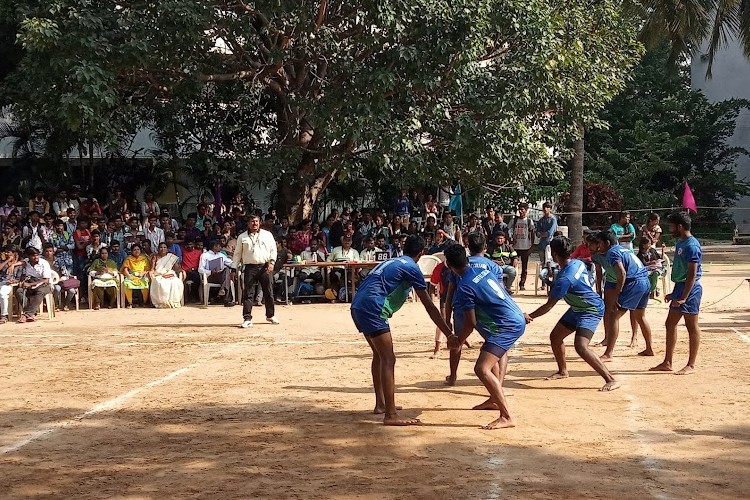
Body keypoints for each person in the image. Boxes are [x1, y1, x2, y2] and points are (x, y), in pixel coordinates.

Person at [351, 235, 453, 426]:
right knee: (389, 359)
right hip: (373, 307)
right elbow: (429, 306)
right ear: (421, 253)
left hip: (358, 305)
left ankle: (381, 403)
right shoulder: (411, 268)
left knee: (379, 356)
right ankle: (390, 414)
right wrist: (449, 334)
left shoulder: (393, 260)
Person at [444, 243, 526, 429]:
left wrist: (458, 339)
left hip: (506, 326)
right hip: (513, 318)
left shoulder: (464, 286)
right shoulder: (483, 271)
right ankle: (493, 399)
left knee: (481, 368)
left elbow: (470, 323)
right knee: (489, 358)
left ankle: (506, 416)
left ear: (449, 265)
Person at [525, 236, 620, 391]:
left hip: (590, 309)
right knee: (555, 337)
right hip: (578, 308)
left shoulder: (564, 279)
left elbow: (549, 306)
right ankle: (563, 371)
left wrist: (529, 316)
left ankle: (610, 379)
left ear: (554, 254)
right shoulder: (577, 262)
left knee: (581, 346)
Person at [444, 233, 504, 385]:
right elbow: (500, 292)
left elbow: (450, 293)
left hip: (462, 308)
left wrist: (447, 317)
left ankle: (452, 376)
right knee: (495, 344)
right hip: (486, 311)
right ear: (485, 247)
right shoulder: (493, 266)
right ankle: (498, 381)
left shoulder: (460, 264)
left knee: (457, 341)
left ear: (468, 248)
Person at [651, 213, 703, 375]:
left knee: (691, 326)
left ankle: (691, 365)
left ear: (680, 227)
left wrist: (684, 297)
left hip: (690, 290)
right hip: (681, 287)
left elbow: (692, 274)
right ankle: (667, 362)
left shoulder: (692, 246)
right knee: (670, 323)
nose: (670, 229)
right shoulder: (681, 242)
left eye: (672, 226)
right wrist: (675, 293)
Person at [594, 231, 653, 361]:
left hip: (634, 282)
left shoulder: (612, 252)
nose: (598, 246)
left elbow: (622, 273)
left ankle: (608, 353)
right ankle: (649, 348)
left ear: (607, 243)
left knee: (614, 316)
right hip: (645, 280)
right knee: (640, 316)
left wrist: (617, 294)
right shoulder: (622, 249)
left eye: (599, 243)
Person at [233, 214, 279, 328]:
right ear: (248, 224)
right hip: (250, 267)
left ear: (260, 222)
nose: (255, 224)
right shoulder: (242, 237)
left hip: (265, 266)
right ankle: (247, 318)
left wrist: (272, 262)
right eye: (252, 222)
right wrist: (234, 268)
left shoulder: (267, 235)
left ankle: (270, 315)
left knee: (268, 292)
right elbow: (237, 254)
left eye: (256, 221)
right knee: (248, 293)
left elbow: (273, 249)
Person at [15, 247, 53, 323]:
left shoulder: (44, 263)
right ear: (28, 256)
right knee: (19, 291)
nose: (36, 257)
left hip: (44, 284)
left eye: (37, 255)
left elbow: (46, 280)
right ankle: (31, 313)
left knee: (40, 292)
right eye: (33, 256)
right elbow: (21, 262)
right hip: (31, 283)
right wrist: (13, 265)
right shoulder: (27, 261)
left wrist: (30, 284)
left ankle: (27, 314)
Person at [199, 239, 235, 305]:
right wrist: (210, 272)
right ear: (214, 246)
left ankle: (224, 293)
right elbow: (200, 269)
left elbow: (231, 263)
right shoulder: (205, 255)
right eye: (219, 246)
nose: (221, 248)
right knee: (226, 275)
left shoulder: (221, 255)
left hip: (221, 276)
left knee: (226, 269)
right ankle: (226, 298)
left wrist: (237, 263)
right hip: (210, 276)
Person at [149, 242, 184, 308]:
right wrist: (151, 272)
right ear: (158, 249)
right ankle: (163, 302)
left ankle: (174, 302)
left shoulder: (171, 257)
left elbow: (176, 268)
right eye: (161, 247)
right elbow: (152, 269)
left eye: (164, 247)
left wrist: (182, 270)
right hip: (159, 275)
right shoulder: (155, 257)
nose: (163, 249)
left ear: (167, 249)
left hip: (170, 273)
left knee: (176, 282)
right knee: (162, 284)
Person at [509, 203, 535, 290]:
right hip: (515, 247)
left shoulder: (529, 221)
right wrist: (511, 239)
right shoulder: (514, 220)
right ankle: (510, 282)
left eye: (522, 209)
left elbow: (532, 233)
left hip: (525, 247)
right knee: (512, 264)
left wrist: (532, 246)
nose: (521, 211)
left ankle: (522, 283)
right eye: (519, 209)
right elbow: (508, 230)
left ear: (526, 210)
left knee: (524, 267)